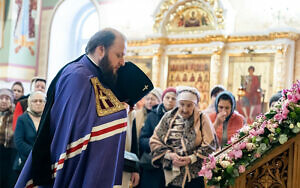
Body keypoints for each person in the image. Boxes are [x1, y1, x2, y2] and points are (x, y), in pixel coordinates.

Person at [15, 28, 153, 188]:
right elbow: (76, 129)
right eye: (119, 55)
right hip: (64, 167)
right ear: (101, 49)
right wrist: (122, 112)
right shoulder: (78, 76)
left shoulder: (96, 76)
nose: (122, 62)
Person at [150, 86, 217, 188]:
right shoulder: (168, 117)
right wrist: (170, 155)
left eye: (189, 105)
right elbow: (155, 141)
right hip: (171, 174)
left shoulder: (202, 118)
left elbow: (210, 144)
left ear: (195, 105)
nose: (185, 109)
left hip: (195, 176)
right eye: (182, 105)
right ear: (177, 103)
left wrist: (191, 158)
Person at [139, 87, 177, 188]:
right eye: (167, 97)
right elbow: (143, 140)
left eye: (173, 98)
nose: (170, 100)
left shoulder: (182, 118)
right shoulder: (152, 116)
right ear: (162, 99)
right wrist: (158, 146)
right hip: (152, 166)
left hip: (173, 168)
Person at [13, 91, 46, 177]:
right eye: (35, 101)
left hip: (43, 163)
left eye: (41, 101)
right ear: (29, 103)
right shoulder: (22, 119)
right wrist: (34, 153)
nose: (38, 103)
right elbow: (18, 141)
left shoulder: (47, 119)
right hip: (25, 162)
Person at [0, 88, 17, 188]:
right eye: (1, 98)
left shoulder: (16, 115)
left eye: (7, 98)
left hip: (9, 153)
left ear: (11, 101)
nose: (4, 101)